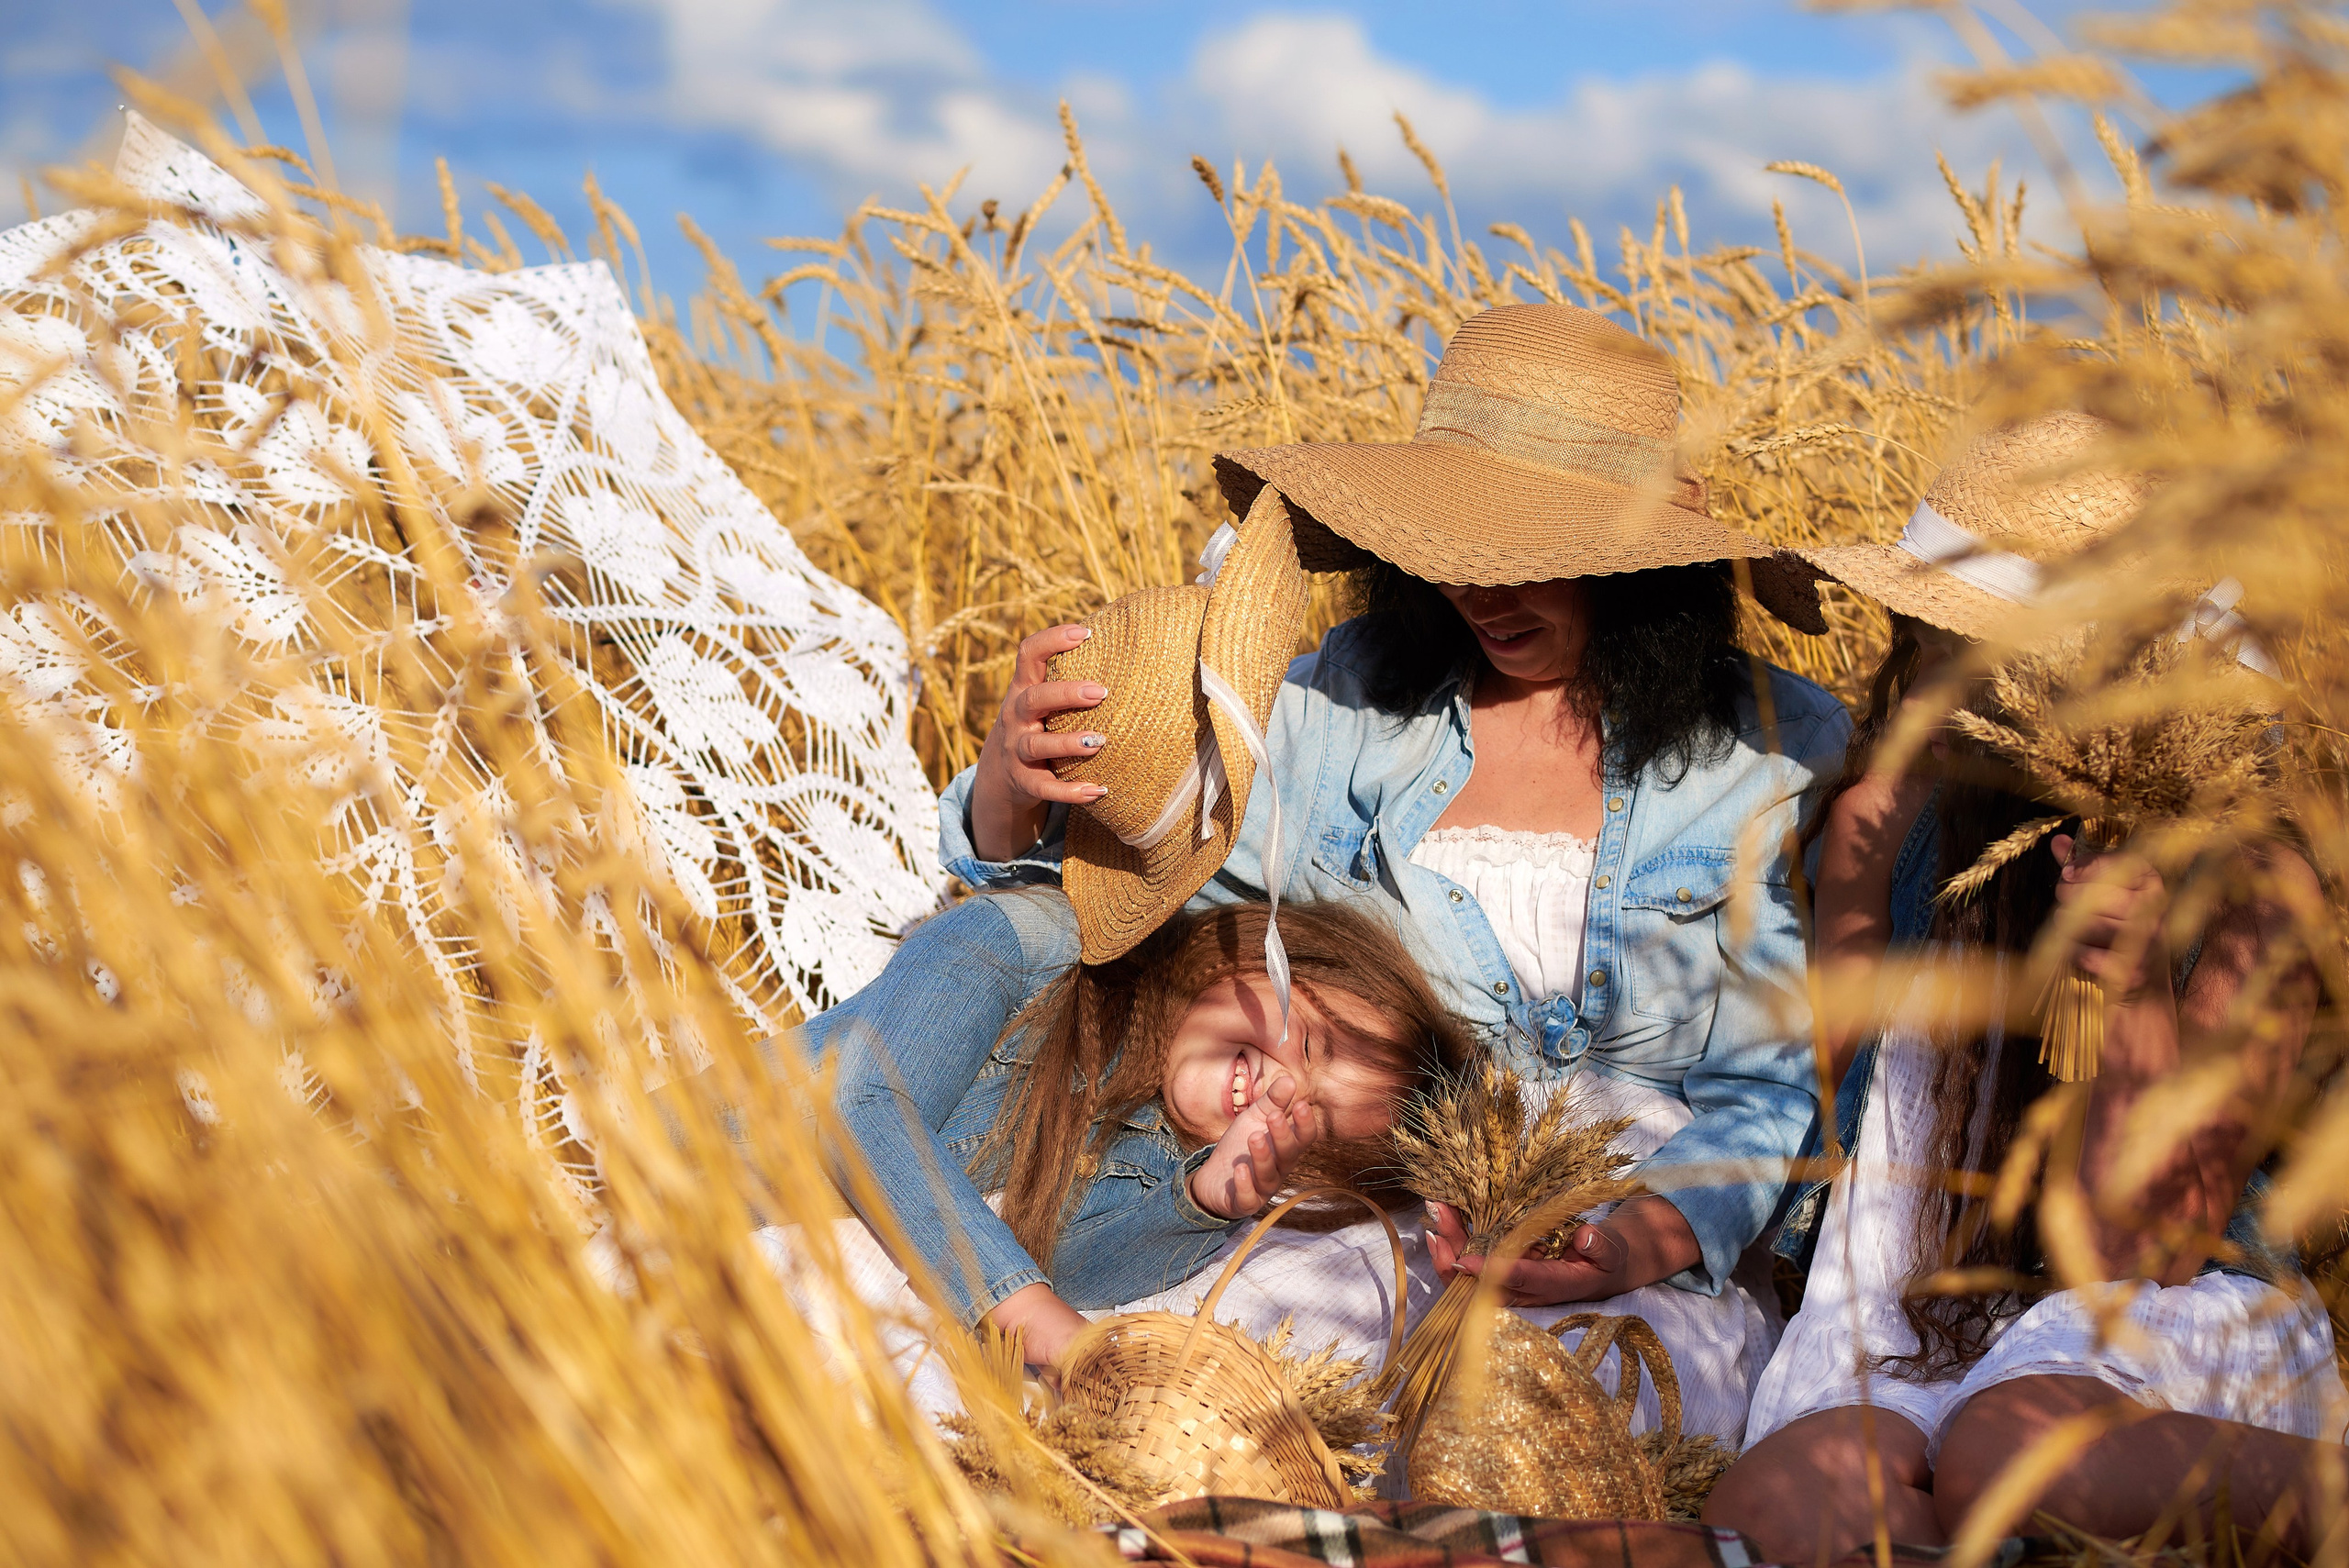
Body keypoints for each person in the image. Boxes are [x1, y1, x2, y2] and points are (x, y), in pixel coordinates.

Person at [938, 303, 1852, 1429]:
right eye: (1455, 547)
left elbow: (1766, 1091)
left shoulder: (1772, 748)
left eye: (1532, 554)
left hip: (1635, 1227)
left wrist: (1622, 1246)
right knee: (1221, 1409)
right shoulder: (1346, 703)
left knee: (1556, 1427)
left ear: (1638, 571)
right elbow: (1142, 901)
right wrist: (1007, 792)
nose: (1479, 591)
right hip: (1366, 1206)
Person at [1709, 414, 2346, 1559]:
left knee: (2015, 1450)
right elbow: (1865, 1169)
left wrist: (2136, 984)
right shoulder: (1881, 829)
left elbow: (2145, 1246)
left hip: (2162, 1316)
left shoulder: (2256, 883)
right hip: (1922, 1303)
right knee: (1776, 1503)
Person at [794, 497, 1474, 1371]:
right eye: (1305, 1038)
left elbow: (1064, 1255)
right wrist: (1057, 1339)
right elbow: (860, 1104)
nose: (1275, 1090)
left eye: (1311, 1123)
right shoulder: (1023, 944)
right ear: (1262, 953)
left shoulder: (1154, 1133)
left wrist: (1201, 1200)